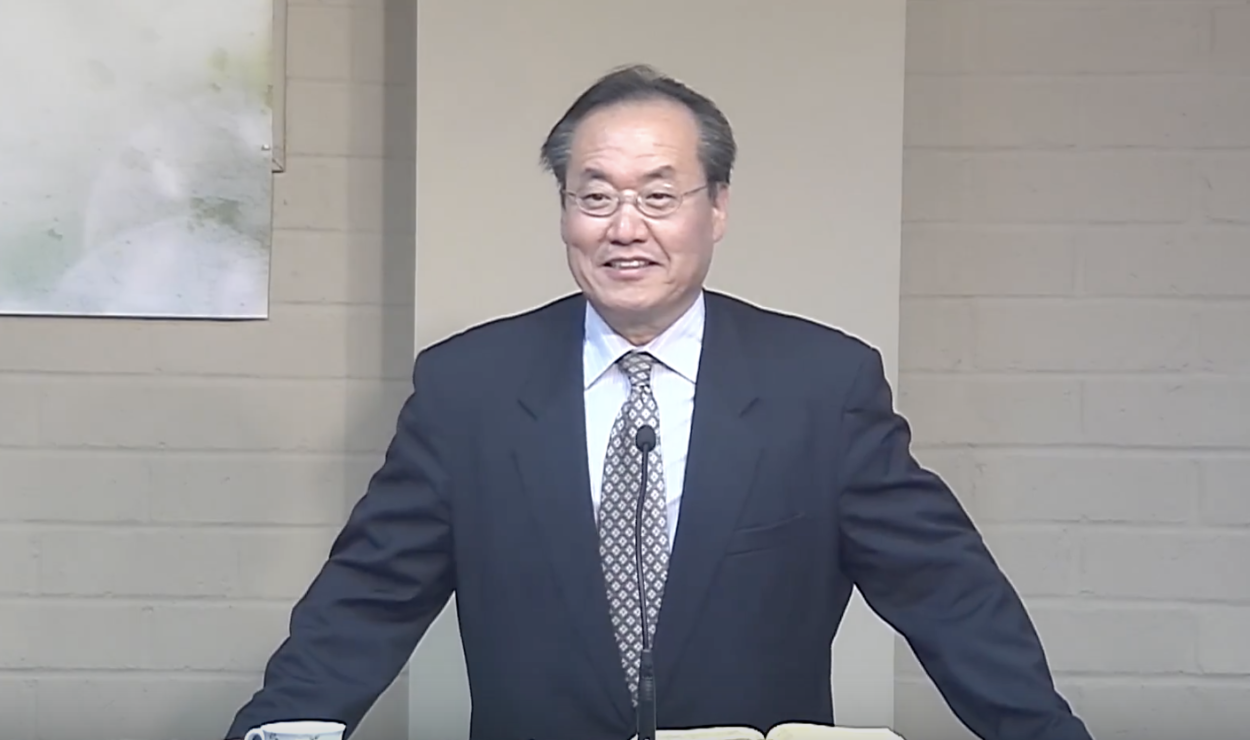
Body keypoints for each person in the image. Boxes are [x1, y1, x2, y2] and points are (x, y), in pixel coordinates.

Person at [225, 64, 1093, 740]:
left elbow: (946, 593)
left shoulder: (820, 385)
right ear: (565, 212)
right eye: (595, 196)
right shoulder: (470, 387)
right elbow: (368, 597)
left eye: (658, 196)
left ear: (716, 208)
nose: (624, 226)